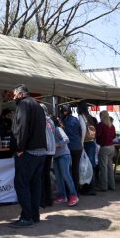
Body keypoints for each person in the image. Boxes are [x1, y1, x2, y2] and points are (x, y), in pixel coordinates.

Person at [11, 84, 47, 227]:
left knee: (21, 184)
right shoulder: (37, 105)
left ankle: (26, 217)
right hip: (40, 151)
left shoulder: (24, 104)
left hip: (29, 151)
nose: (13, 97)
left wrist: (20, 147)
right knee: (35, 184)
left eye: (14, 95)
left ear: (20, 94)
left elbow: (22, 127)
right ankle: (34, 215)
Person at [52, 116, 78, 206]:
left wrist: (57, 145)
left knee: (66, 175)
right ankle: (62, 196)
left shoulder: (58, 129)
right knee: (58, 178)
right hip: (56, 157)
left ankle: (74, 195)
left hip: (64, 155)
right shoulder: (50, 131)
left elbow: (66, 139)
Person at [60, 105, 84, 192]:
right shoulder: (75, 119)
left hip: (70, 148)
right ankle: (76, 189)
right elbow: (80, 132)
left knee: (67, 170)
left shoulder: (64, 121)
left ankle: (69, 190)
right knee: (75, 169)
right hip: (78, 147)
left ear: (64, 111)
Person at [77, 102, 97, 195]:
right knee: (90, 165)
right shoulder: (90, 117)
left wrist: (81, 144)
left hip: (86, 144)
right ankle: (91, 187)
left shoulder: (82, 117)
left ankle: (88, 188)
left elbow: (83, 131)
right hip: (92, 143)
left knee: (86, 166)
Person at [95, 110, 116, 191]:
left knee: (103, 167)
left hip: (104, 147)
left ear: (101, 116)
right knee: (110, 167)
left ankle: (103, 186)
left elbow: (97, 135)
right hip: (112, 147)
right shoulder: (111, 125)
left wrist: (99, 140)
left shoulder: (100, 125)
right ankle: (112, 185)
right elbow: (114, 136)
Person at [39, 103, 55, 208]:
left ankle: (43, 200)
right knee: (46, 175)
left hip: (44, 150)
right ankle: (48, 199)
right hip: (51, 150)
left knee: (41, 176)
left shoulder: (41, 120)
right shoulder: (50, 120)